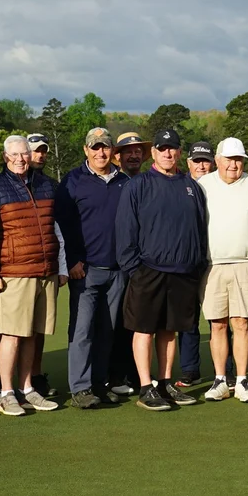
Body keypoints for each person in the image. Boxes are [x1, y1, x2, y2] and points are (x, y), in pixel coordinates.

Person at [114, 128, 209, 410]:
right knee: (144, 329)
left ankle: (166, 383)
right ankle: (146, 387)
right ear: (153, 152)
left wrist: (197, 264)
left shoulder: (191, 185)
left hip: (183, 272)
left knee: (170, 330)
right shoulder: (139, 185)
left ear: (180, 152)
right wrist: (135, 269)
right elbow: (125, 230)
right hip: (148, 271)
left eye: (173, 148)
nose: (168, 153)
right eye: (162, 148)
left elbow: (200, 228)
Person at [0, 135, 67, 415]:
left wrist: (61, 266)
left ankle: (27, 388)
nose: (20, 159)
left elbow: (57, 229)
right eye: (15, 155)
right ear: (6, 157)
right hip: (13, 271)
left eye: (24, 154)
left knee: (32, 334)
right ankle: (6, 392)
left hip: (45, 270)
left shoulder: (46, 185)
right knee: (12, 334)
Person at [195, 137, 248, 403]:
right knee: (217, 324)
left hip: (244, 264)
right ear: (217, 160)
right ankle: (220, 380)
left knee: (241, 323)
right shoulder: (202, 186)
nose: (234, 164)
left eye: (239, 159)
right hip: (211, 265)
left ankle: (241, 381)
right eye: (229, 159)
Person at [62, 127, 132, 409]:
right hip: (86, 269)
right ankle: (80, 388)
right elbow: (62, 225)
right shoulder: (73, 181)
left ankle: (99, 384)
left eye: (105, 147)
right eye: (95, 147)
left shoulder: (124, 182)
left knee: (108, 330)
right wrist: (71, 261)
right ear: (86, 150)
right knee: (82, 331)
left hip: (117, 269)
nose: (100, 152)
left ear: (112, 151)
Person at [106, 131, 152, 395]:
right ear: (118, 156)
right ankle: (115, 375)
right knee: (116, 322)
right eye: (128, 151)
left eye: (138, 151)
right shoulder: (114, 182)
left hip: (146, 265)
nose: (133, 155)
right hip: (118, 264)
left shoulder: (149, 181)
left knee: (141, 322)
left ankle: (139, 375)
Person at [176, 141, 217, 387]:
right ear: (188, 162)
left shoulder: (222, 185)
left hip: (215, 260)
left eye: (206, 160)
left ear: (213, 162)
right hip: (188, 262)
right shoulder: (180, 185)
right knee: (187, 319)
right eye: (197, 161)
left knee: (219, 319)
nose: (201, 165)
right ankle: (190, 370)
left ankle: (227, 370)